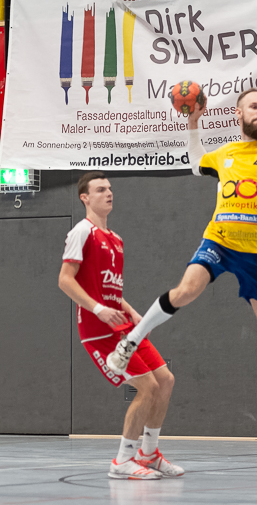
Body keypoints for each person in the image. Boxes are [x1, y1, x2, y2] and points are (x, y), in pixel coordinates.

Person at [105, 88, 257, 388]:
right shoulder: (226, 153)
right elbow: (197, 164)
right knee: (185, 290)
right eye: (254, 106)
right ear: (239, 113)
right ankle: (130, 342)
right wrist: (193, 124)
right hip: (219, 240)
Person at [59, 171, 183, 480]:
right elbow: (65, 279)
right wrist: (98, 309)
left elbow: (110, 288)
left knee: (165, 380)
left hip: (124, 326)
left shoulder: (116, 239)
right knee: (147, 387)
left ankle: (149, 453)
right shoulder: (82, 231)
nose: (108, 193)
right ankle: (122, 461)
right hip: (98, 329)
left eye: (110, 188)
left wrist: (133, 313)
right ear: (85, 198)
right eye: (100, 189)